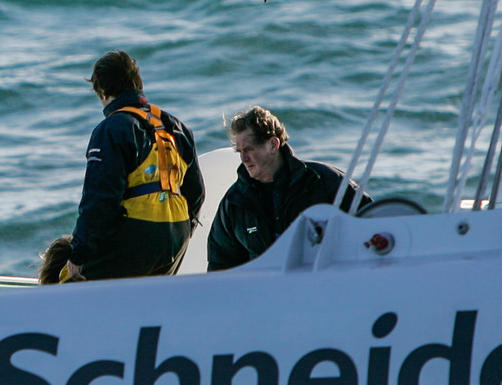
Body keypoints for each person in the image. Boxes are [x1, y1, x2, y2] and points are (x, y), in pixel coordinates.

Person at [65, 51, 204, 281]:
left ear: (102, 92)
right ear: (137, 85)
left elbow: (101, 199)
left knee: (69, 284)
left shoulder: (112, 128)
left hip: (139, 234)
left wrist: (79, 254)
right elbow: (196, 191)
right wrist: (181, 232)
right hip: (177, 236)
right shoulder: (177, 127)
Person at [207, 106, 370, 271]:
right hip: (265, 292)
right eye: (240, 151)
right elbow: (220, 264)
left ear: (273, 144)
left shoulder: (323, 181)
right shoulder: (235, 201)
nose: (244, 158)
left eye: (249, 149)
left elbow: (370, 222)